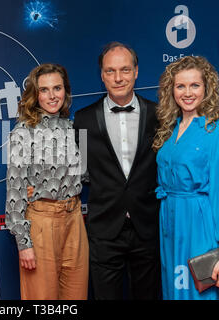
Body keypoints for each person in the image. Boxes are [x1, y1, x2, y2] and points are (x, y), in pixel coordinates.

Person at [73, 41, 161, 299]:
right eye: (110, 71)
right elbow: (79, 170)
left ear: (135, 71)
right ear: (102, 75)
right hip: (104, 230)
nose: (118, 77)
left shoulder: (159, 115)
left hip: (147, 226)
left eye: (124, 70)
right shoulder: (83, 119)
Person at [153, 55, 219, 300]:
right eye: (180, 86)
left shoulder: (216, 134)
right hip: (171, 223)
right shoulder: (170, 131)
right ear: (171, 90)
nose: (187, 92)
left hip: (200, 225)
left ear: (207, 88)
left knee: (198, 294)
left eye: (195, 85)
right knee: (174, 292)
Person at [5, 63, 89, 300]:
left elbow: (85, 174)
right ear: (35, 94)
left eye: (57, 88)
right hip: (41, 222)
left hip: (74, 220)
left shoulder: (74, 128)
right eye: (44, 90)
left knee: (76, 296)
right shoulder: (22, 132)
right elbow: (15, 191)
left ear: (66, 91)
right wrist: (24, 243)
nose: (52, 96)